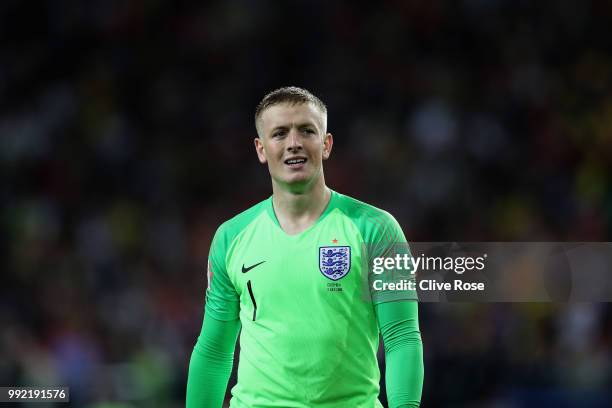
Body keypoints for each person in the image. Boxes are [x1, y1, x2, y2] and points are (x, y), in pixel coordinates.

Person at [186, 86, 423, 408]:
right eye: (280, 133)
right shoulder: (231, 237)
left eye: (306, 131)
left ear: (326, 144)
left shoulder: (376, 229)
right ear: (260, 148)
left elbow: (402, 338)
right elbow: (214, 350)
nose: (293, 143)